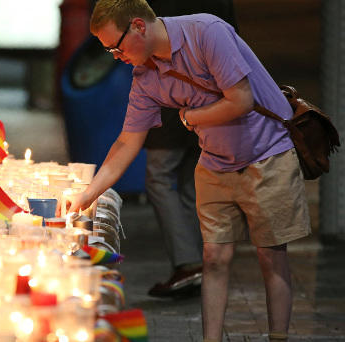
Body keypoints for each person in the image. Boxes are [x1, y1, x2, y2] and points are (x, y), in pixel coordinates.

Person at [67, 1, 311, 341]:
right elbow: (126, 143)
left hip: (267, 154)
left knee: (270, 256)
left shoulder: (207, 32)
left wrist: (189, 118)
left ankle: (278, 336)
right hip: (214, 161)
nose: (116, 57)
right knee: (212, 258)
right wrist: (86, 195)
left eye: (116, 47)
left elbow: (239, 100)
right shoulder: (145, 76)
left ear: (138, 26)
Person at [141, 0, 239, 298]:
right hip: (216, 89)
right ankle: (202, 265)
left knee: (159, 176)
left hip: (172, 83)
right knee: (190, 178)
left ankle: (189, 264)